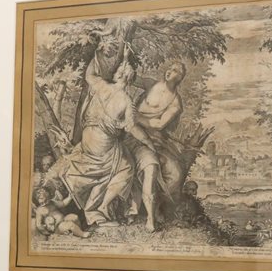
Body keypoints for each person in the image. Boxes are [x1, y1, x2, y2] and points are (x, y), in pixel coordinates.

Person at [59, 51, 151, 227]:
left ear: (117, 75)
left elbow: (89, 74)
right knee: (126, 167)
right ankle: (100, 208)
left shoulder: (100, 85)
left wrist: (98, 52)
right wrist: (146, 142)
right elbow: (130, 128)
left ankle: (95, 210)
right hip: (102, 142)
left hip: (88, 138)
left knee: (111, 166)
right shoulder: (126, 101)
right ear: (130, 80)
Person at [130, 60, 187, 231]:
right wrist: (128, 64)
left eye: (175, 70)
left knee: (176, 173)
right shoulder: (151, 84)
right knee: (150, 164)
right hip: (132, 133)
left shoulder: (176, 102)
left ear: (180, 77)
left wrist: (136, 116)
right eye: (170, 68)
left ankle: (157, 204)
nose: (169, 71)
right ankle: (146, 210)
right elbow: (132, 78)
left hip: (156, 138)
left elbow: (160, 124)